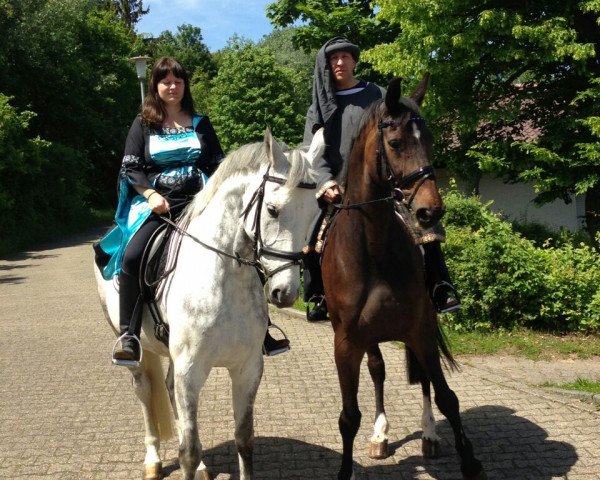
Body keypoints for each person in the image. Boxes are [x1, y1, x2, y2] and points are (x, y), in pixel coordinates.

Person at [96, 57, 286, 365]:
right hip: (160, 206)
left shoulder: (200, 122)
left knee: (247, 246)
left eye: (178, 82)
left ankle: (261, 327)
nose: (172, 87)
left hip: (202, 203)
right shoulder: (143, 124)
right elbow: (131, 167)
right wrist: (151, 194)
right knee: (132, 255)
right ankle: (129, 335)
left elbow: (218, 165)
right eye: (166, 82)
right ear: (156, 87)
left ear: (185, 86)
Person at [302, 37, 461, 321]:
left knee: (425, 222)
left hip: (380, 180)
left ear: (354, 61)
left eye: (345, 57)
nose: (339, 63)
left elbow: (400, 129)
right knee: (310, 233)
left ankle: (440, 284)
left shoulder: (375, 93)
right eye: (333, 58)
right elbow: (311, 151)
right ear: (326, 65)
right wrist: (325, 182)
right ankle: (318, 296)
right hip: (337, 184)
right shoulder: (319, 106)